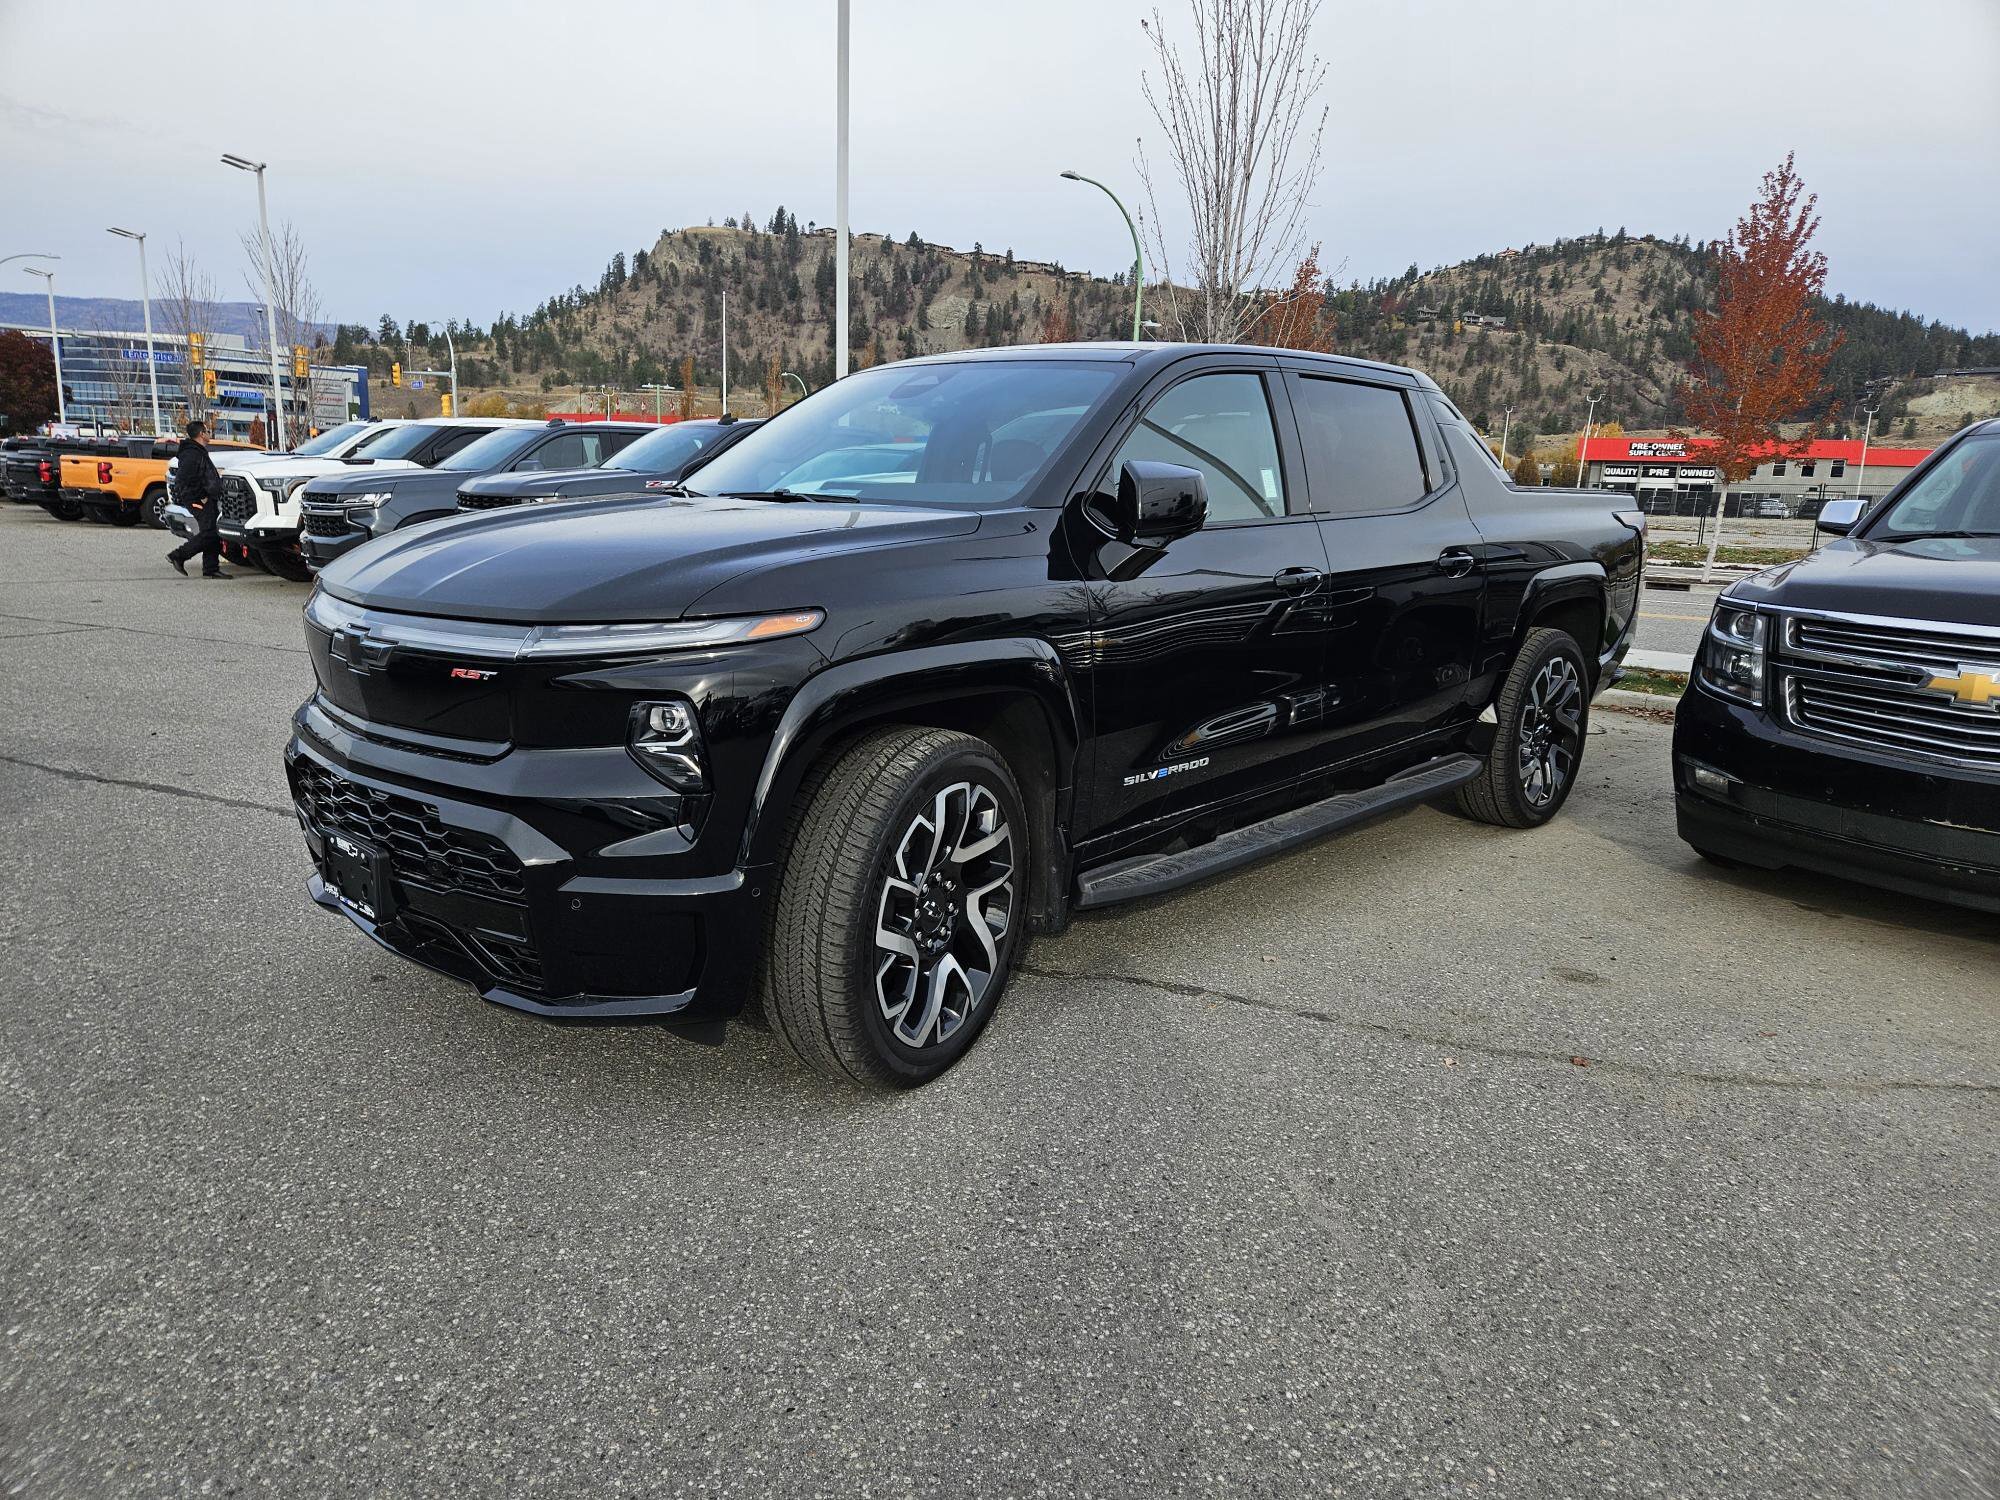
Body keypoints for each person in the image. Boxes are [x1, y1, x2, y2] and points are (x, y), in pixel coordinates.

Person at [166, 419, 232, 579]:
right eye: (207, 431)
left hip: (206, 498)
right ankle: (178, 555)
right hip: (198, 499)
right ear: (201, 434)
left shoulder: (197, 451)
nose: (209, 433)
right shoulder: (191, 454)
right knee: (210, 532)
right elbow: (184, 479)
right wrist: (200, 497)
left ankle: (211, 569)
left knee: (211, 532)